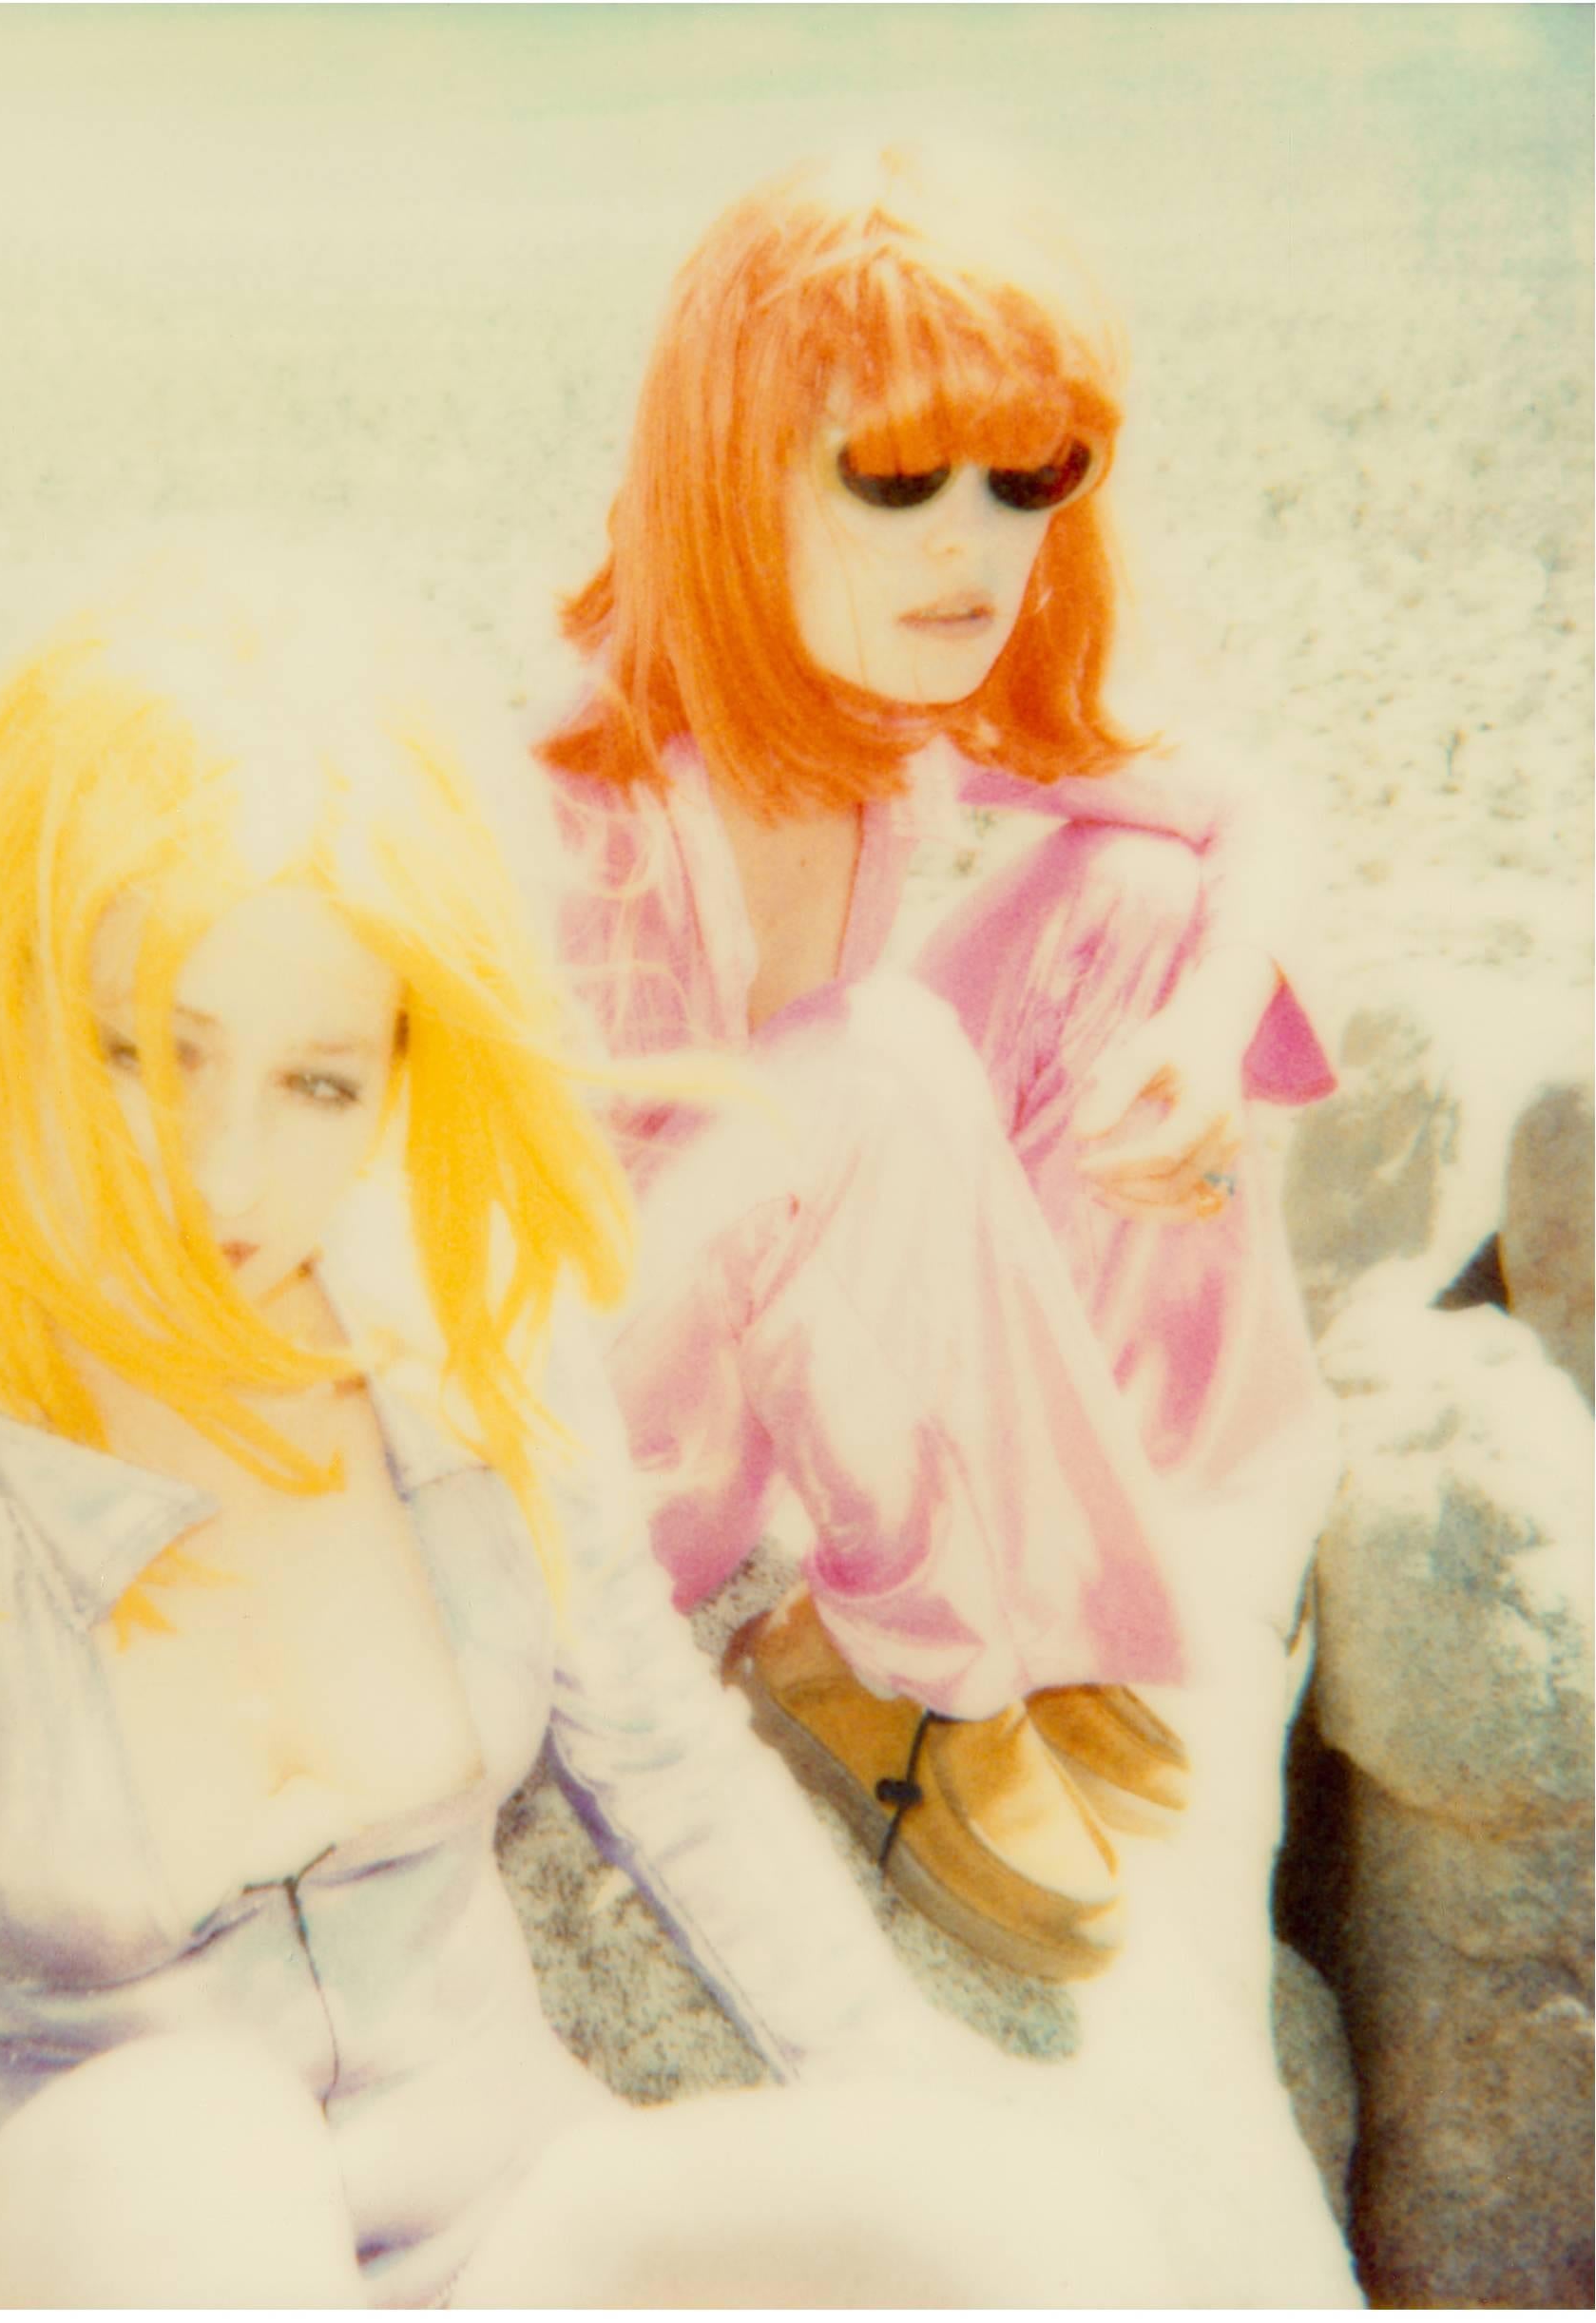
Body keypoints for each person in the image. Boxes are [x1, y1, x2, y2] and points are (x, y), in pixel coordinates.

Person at [0, 544, 1193, 2308]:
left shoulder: (477, 1370)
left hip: (516, 2227)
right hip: (86, 2263)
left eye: (317, 1082)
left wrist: (917, 2134)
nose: (224, 1173)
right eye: (143, 1050)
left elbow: (677, 1784)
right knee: (188, 2157)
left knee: (1027, 2232)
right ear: (1, 1008)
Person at [537, 142, 1341, 1982]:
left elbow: (1240, 811)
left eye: (1025, 471)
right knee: (872, 1058)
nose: (964, 542)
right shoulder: (575, 804)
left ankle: (1042, 1555)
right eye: (890, 477)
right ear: (732, 481)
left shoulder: (875, 704)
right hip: (622, 1446)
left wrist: (1200, 1027)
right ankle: (906, 1660)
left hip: (794, 1309)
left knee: (1131, 893)